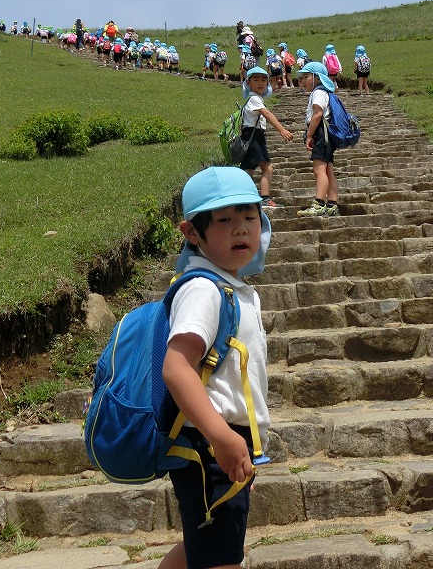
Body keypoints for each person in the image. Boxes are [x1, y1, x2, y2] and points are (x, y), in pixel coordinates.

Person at [159, 166, 271, 569]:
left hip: (224, 441)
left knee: (206, 546)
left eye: (249, 217)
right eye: (224, 220)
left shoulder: (231, 287)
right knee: (220, 554)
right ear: (192, 233)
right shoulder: (203, 289)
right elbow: (176, 368)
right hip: (209, 441)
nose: (241, 230)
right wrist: (222, 438)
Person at [239, 67, 293, 209]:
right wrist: (281, 129)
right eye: (255, 80)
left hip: (250, 136)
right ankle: (264, 198)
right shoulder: (254, 99)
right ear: (248, 83)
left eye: (263, 80)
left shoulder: (253, 99)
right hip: (254, 136)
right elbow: (266, 114)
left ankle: (242, 197)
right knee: (267, 168)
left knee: (249, 168)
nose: (260, 83)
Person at [297, 61, 340, 218]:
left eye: (306, 77)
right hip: (328, 134)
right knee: (328, 169)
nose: (302, 81)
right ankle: (332, 204)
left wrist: (309, 135)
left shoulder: (318, 93)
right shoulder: (326, 92)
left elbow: (317, 114)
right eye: (302, 77)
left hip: (321, 134)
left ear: (318, 78)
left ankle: (319, 203)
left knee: (319, 170)